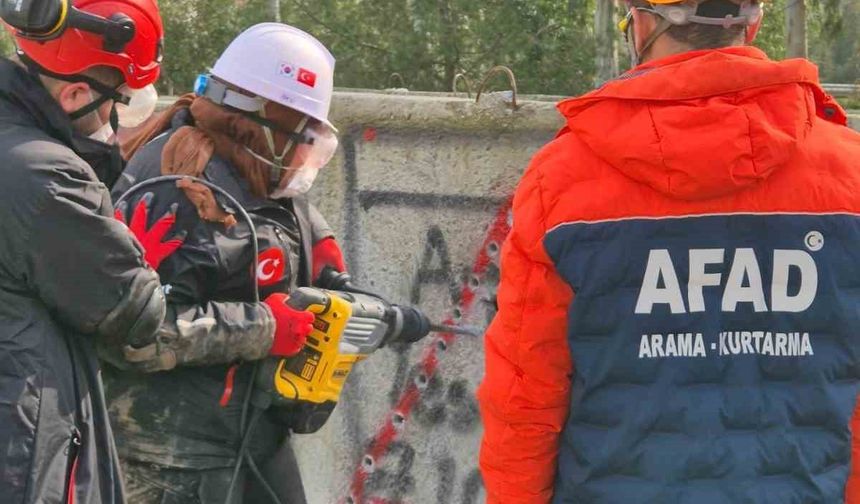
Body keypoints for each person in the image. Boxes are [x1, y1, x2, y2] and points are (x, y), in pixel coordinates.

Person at [478, 0, 860, 503]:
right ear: (755, 20)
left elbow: (524, 398)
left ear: (640, 23)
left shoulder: (562, 181)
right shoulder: (849, 175)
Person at [104, 23, 345, 504]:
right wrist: (265, 328)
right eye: (303, 136)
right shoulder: (176, 189)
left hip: (250, 435)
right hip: (170, 456)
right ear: (262, 123)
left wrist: (336, 283)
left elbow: (279, 249)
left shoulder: (257, 176)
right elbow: (131, 334)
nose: (305, 155)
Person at [0, 1, 176, 503]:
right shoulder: (49, 178)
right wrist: (130, 248)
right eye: (117, 101)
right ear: (76, 92)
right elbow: (136, 314)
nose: (116, 119)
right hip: (20, 459)